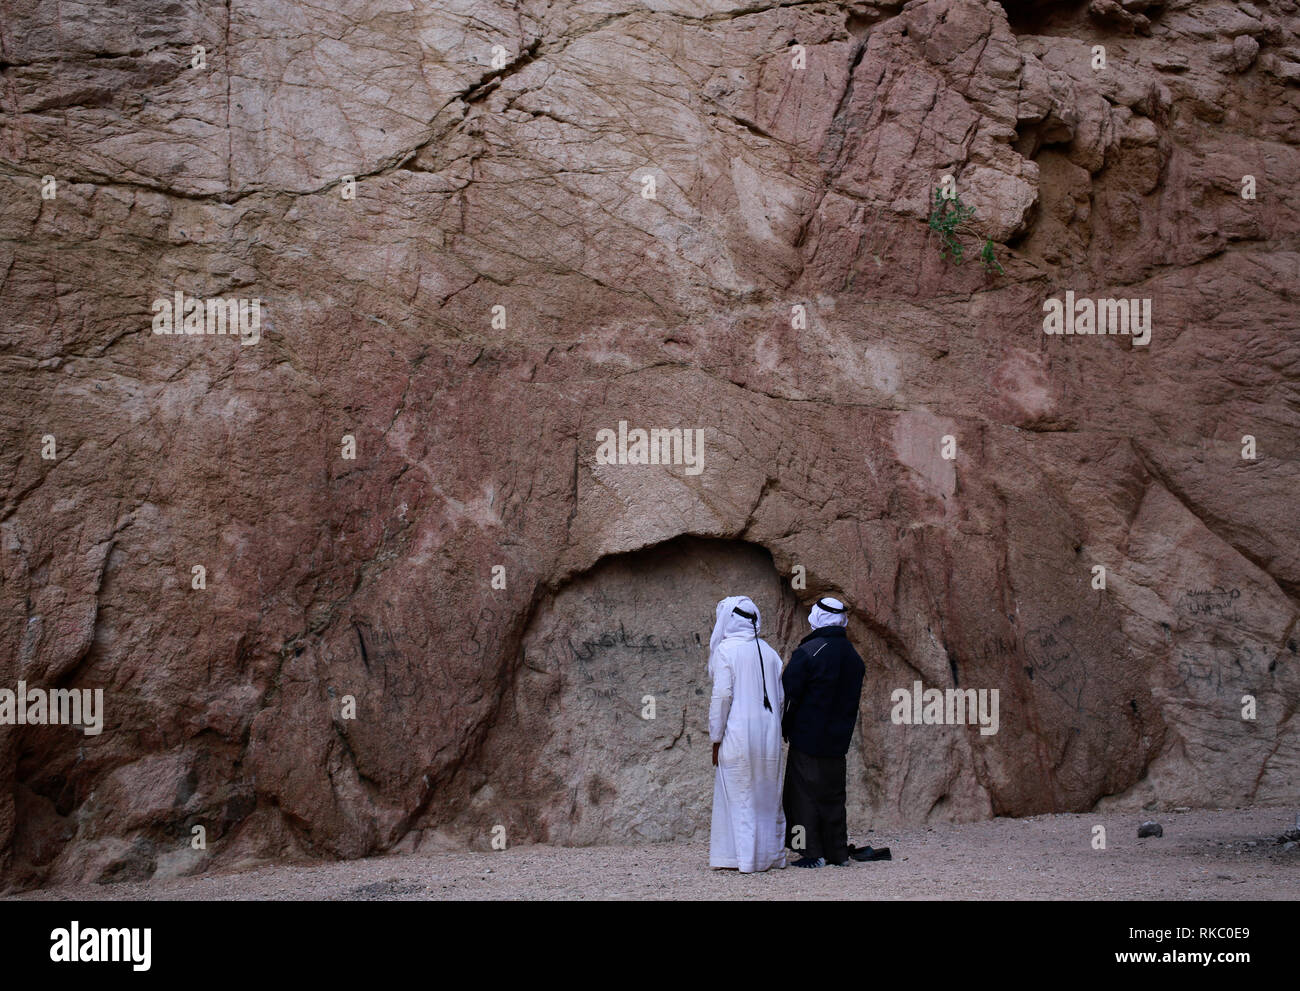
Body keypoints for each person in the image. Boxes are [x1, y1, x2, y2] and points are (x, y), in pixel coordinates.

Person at [781, 596, 867, 868]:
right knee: (833, 796)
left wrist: (785, 724)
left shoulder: (810, 651)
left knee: (803, 795)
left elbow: (788, 692)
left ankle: (811, 852)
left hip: (807, 736)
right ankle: (837, 852)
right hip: (839, 739)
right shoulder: (854, 657)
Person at [708, 595, 787, 873]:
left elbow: (722, 697)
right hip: (769, 734)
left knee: (740, 794)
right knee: (766, 794)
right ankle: (770, 856)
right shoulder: (770, 652)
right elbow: (779, 699)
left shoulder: (726, 651)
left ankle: (743, 859)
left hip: (739, 732)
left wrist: (715, 737)